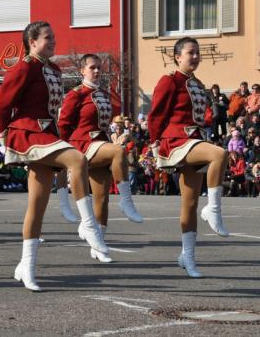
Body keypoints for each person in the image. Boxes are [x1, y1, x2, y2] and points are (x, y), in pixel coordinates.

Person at [0, 21, 106, 291]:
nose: (53, 41)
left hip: (48, 134)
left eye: (54, 36)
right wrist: (2, 133)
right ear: (32, 42)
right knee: (77, 159)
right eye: (47, 37)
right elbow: (2, 103)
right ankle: (88, 225)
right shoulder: (23, 68)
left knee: (37, 203)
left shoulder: (54, 69)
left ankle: (26, 266)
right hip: (28, 132)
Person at [148, 37, 230, 279]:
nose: (195, 57)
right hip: (176, 140)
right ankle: (213, 209)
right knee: (219, 153)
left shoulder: (197, 83)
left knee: (190, 203)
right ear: (177, 57)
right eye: (190, 52)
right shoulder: (169, 80)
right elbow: (157, 113)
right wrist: (154, 142)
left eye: (197, 53)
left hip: (195, 139)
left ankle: (188, 256)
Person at [58, 54, 143, 263]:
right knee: (119, 152)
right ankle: (126, 201)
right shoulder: (76, 94)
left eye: (99, 68)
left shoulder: (104, 94)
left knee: (102, 198)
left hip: (101, 143)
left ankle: (99, 245)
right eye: (92, 68)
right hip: (83, 144)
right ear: (82, 71)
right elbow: (64, 124)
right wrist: (63, 152)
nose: (97, 71)